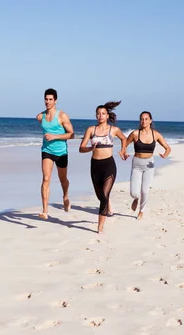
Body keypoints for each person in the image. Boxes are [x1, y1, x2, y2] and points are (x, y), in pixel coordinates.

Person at [79, 101, 128, 234]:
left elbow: (124, 139)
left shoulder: (113, 130)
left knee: (104, 196)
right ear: (96, 116)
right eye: (98, 114)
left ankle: (100, 227)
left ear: (107, 116)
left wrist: (123, 151)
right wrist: (90, 148)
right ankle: (108, 207)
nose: (100, 116)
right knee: (100, 196)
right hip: (95, 166)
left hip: (109, 165)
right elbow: (81, 148)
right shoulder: (91, 130)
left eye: (103, 114)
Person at [36, 88, 75, 220]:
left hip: (61, 152)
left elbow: (72, 134)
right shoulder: (40, 117)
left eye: (50, 99)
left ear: (55, 100)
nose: (48, 102)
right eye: (46, 99)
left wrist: (54, 136)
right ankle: (45, 210)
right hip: (47, 151)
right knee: (46, 178)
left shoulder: (62, 116)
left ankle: (65, 196)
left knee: (62, 179)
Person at [125, 111, 171, 220]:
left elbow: (168, 148)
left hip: (149, 164)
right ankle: (136, 199)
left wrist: (165, 155)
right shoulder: (135, 134)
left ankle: (141, 211)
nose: (144, 121)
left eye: (146, 119)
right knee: (133, 192)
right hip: (136, 163)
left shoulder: (156, 134)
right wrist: (124, 153)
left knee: (145, 190)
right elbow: (124, 144)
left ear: (150, 120)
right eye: (142, 119)